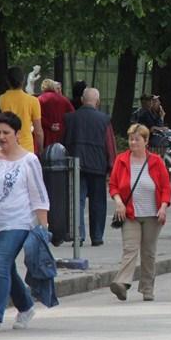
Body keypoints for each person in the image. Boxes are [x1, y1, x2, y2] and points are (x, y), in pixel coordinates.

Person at [0, 112, 50, 333]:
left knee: (1, 264)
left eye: (6, 133)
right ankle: (25, 306)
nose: (2, 137)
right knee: (5, 268)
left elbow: (39, 196)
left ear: (17, 134)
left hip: (17, 221)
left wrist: (43, 228)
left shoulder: (29, 160)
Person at [108, 124, 171, 302]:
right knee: (130, 249)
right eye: (131, 139)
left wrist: (163, 207)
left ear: (146, 141)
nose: (133, 142)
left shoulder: (156, 161)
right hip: (129, 214)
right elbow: (113, 186)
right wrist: (119, 203)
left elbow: (166, 187)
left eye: (137, 139)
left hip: (153, 214)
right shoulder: (121, 160)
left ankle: (147, 288)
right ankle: (121, 283)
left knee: (148, 252)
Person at [63, 88, 117, 246]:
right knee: (98, 202)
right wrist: (111, 167)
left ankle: (78, 235)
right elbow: (110, 145)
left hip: (75, 166)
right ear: (98, 102)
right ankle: (97, 236)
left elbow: (63, 141)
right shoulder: (104, 119)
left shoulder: (70, 118)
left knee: (77, 200)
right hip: (97, 166)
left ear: (81, 100)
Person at [0, 67, 44, 154]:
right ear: (23, 80)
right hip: (26, 149)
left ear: (7, 81)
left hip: (4, 149)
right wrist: (41, 149)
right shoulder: (33, 101)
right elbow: (38, 131)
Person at [38, 78, 74, 147]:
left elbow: (38, 117)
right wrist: (62, 124)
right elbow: (72, 114)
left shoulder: (40, 99)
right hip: (60, 133)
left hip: (45, 133)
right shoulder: (64, 99)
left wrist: (50, 125)